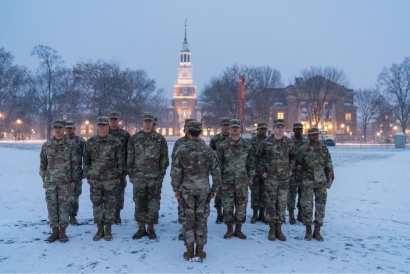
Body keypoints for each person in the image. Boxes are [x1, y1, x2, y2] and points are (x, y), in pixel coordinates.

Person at [171, 120, 221, 260]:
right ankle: (200, 250)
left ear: (188, 131)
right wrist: (214, 189)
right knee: (201, 219)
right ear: (201, 132)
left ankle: (189, 250)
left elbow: (175, 171)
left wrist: (176, 188)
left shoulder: (182, 149)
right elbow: (216, 172)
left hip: (186, 190)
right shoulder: (209, 151)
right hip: (203, 190)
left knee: (188, 220)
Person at [127, 112, 169, 240]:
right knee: (139, 202)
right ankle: (141, 228)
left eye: (150, 121)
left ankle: (150, 229)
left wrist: (161, 174)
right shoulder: (134, 138)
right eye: (145, 121)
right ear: (142, 122)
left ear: (152, 123)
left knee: (153, 202)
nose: (147, 123)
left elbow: (164, 158)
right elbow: (130, 157)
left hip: (154, 177)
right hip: (139, 176)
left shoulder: (159, 139)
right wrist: (131, 173)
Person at [83, 116, 123, 241]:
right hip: (95, 179)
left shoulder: (115, 142)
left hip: (110, 179)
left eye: (104, 125)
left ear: (108, 126)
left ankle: (108, 228)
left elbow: (120, 161)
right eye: (100, 125)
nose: (102, 127)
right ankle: (99, 228)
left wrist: (118, 175)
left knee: (110, 204)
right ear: (97, 126)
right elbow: (86, 161)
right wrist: (88, 174)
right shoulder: (90, 142)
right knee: (97, 203)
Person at [39, 119, 79, 243]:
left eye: (60, 127)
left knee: (64, 207)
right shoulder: (47, 145)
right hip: (51, 181)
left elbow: (75, 164)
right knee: (51, 207)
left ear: (64, 129)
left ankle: (62, 231)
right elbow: (43, 163)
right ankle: (54, 231)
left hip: (65, 182)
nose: (58, 129)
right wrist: (44, 178)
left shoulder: (71, 145)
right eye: (55, 127)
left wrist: (73, 180)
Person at [256, 119, 296, 241]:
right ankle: (272, 229)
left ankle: (279, 228)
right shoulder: (266, 143)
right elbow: (258, 157)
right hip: (271, 179)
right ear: (273, 128)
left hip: (284, 179)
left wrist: (291, 169)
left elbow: (293, 157)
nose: (280, 129)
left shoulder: (289, 143)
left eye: (282, 127)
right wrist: (262, 171)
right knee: (271, 203)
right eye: (278, 127)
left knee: (282, 204)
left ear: (284, 129)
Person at [217, 119, 255, 239]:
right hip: (227, 181)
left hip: (242, 181)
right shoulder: (222, 146)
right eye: (232, 127)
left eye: (236, 127)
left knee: (241, 206)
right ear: (229, 129)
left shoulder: (247, 145)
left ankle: (238, 229)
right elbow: (218, 164)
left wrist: (251, 176)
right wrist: (219, 178)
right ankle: (229, 229)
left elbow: (251, 163)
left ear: (240, 129)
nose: (234, 129)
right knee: (227, 206)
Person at [296, 127, 334, 241]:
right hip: (307, 182)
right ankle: (308, 230)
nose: (315, 137)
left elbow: (329, 165)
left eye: (316, 134)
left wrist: (329, 180)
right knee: (307, 206)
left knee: (320, 207)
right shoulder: (303, 149)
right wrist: (299, 181)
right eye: (312, 135)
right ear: (308, 136)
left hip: (320, 182)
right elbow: (298, 165)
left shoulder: (324, 149)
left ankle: (317, 231)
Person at [107, 111, 131, 224]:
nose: (113, 121)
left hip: (120, 170)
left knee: (119, 193)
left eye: (115, 119)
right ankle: (108, 214)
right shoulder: (103, 133)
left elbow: (129, 152)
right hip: (105, 170)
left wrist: (126, 168)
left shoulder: (125, 135)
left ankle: (117, 214)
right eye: (111, 119)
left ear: (118, 120)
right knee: (107, 194)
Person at [209, 117, 231, 223]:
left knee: (229, 194)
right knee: (218, 193)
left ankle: (228, 214)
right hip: (218, 170)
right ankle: (219, 214)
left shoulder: (234, 138)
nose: (226, 127)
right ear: (221, 126)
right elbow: (210, 154)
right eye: (224, 125)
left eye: (228, 125)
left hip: (231, 170)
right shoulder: (215, 139)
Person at [65, 120, 86, 225]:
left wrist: (84, 171)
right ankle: (63, 216)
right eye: (67, 128)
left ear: (74, 129)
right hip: (62, 174)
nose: (69, 130)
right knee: (62, 197)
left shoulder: (80, 141)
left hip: (76, 173)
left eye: (71, 128)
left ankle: (73, 216)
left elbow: (86, 157)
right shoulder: (61, 140)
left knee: (74, 196)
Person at [287, 122, 308, 224]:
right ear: (293, 130)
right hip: (293, 172)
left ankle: (300, 214)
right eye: (297, 129)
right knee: (291, 195)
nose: (299, 130)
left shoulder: (306, 142)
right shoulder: (289, 142)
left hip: (303, 173)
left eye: (301, 129)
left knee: (303, 195)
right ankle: (291, 215)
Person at [249, 122, 269, 224]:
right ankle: (255, 213)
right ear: (257, 130)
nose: (263, 131)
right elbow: (249, 156)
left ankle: (262, 213)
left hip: (266, 171)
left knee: (264, 193)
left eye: (264, 129)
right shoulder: (252, 142)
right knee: (255, 192)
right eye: (261, 129)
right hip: (255, 170)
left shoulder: (270, 141)